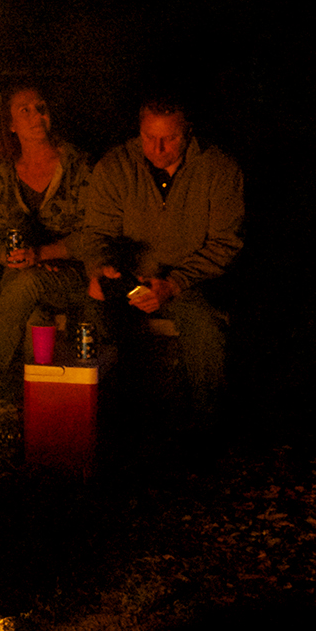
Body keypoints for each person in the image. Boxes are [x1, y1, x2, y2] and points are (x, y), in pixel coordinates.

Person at [76, 96, 245, 419]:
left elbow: (225, 243)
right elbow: (97, 232)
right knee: (93, 315)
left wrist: (174, 283)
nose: (158, 148)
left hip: (190, 281)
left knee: (205, 328)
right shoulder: (117, 166)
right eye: (149, 137)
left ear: (188, 131)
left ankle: (204, 425)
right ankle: (106, 420)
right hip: (128, 277)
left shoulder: (219, 169)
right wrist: (101, 269)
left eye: (170, 138)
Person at [0, 85, 91, 405]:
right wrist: (12, 257)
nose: (36, 116)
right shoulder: (1, 173)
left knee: (26, 282)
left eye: (40, 107)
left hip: (76, 275)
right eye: (24, 110)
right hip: (23, 275)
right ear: (9, 123)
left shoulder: (78, 165)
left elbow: (95, 233)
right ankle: (39, 409)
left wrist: (42, 254)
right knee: (33, 315)